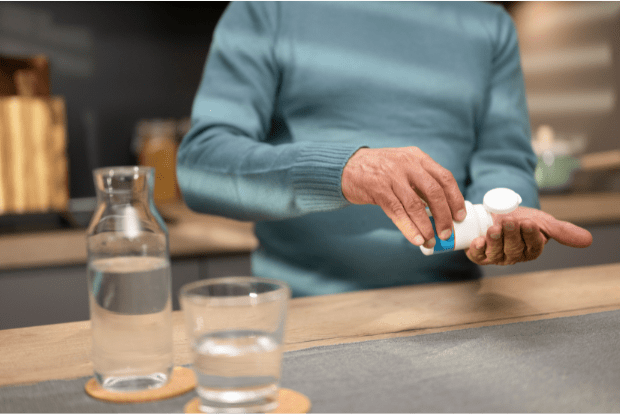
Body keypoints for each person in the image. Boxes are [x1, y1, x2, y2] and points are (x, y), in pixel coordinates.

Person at [177, 1, 592, 297]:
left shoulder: (489, 23)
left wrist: (498, 223)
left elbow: (504, 163)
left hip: (454, 313)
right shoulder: (266, 10)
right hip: (303, 315)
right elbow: (200, 165)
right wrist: (343, 170)